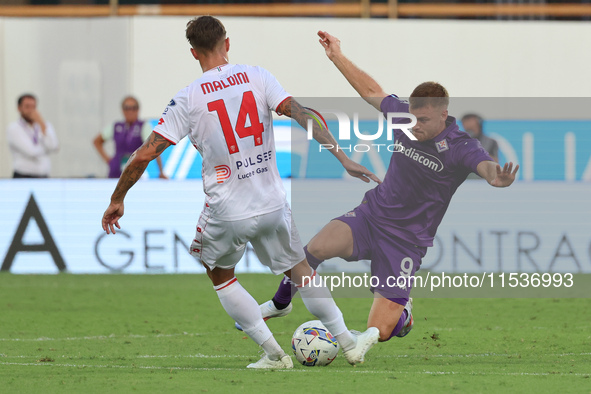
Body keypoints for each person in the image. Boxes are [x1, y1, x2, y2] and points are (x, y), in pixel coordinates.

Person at [101, 16, 381, 369]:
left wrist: (117, 198)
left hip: (228, 209)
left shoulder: (187, 98)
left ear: (193, 53)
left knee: (220, 274)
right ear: (227, 44)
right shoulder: (258, 76)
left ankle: (275, 355)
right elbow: (303, 113)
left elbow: (144, 154)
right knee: (301, 270)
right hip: (273, 203)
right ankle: (348, 344)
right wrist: (342, 158)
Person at [254, 31, 519, 344]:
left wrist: (495, 177)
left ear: (443, 115)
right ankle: (280, 303)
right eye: (413, 117)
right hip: (372, 216)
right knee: (314, 249)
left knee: (378, 332)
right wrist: (337, 55)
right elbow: (370, 90)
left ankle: (402, 312)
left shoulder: (461, 145)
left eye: (423, 120)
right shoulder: (403, 115)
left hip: (406, 241)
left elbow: (485, 165)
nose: (415, 125)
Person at [93, 96, 167, 179]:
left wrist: (161, 171)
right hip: (116, 171)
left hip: (134, 173)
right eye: (127, 108)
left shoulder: (143, 126)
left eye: (134, 108)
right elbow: (97, 141)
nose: (130, 111)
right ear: (122, 110)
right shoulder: (116, 126)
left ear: (138, 110)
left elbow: (154, 147)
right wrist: (109, 161)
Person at [6, 94, 59, 178]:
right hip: (23, 176)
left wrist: (42, 124)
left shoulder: (44, 125)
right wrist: (47, 149)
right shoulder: (14, 128)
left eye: (33, 107)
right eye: (27, 107)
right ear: (19, 108)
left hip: (43, 176)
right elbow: (31, 152)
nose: (31, 110)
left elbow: (54, 146)